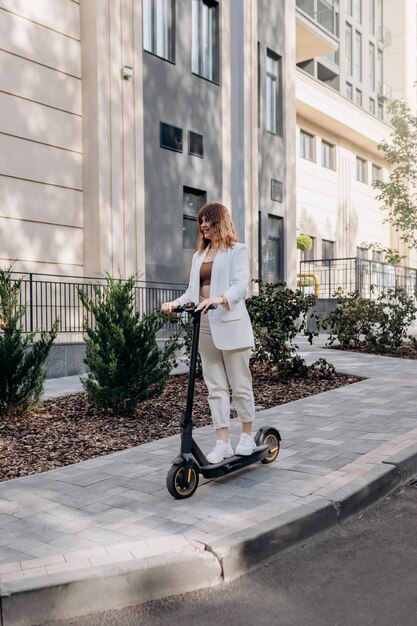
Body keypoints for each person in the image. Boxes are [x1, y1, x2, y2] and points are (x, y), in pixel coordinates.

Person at [162, 202, 256, 464]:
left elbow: (240, 287)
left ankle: (247, 436)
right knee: (215, 387)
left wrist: (219, 299)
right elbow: (192, 293)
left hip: (231, 324)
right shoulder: (198, 256)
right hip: (205, 326)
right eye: (201, 221)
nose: (203, 225)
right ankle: (222, 442)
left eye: (208, 220)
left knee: (239, 385)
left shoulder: (237, 250)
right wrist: (176, 303)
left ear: (220, 222)